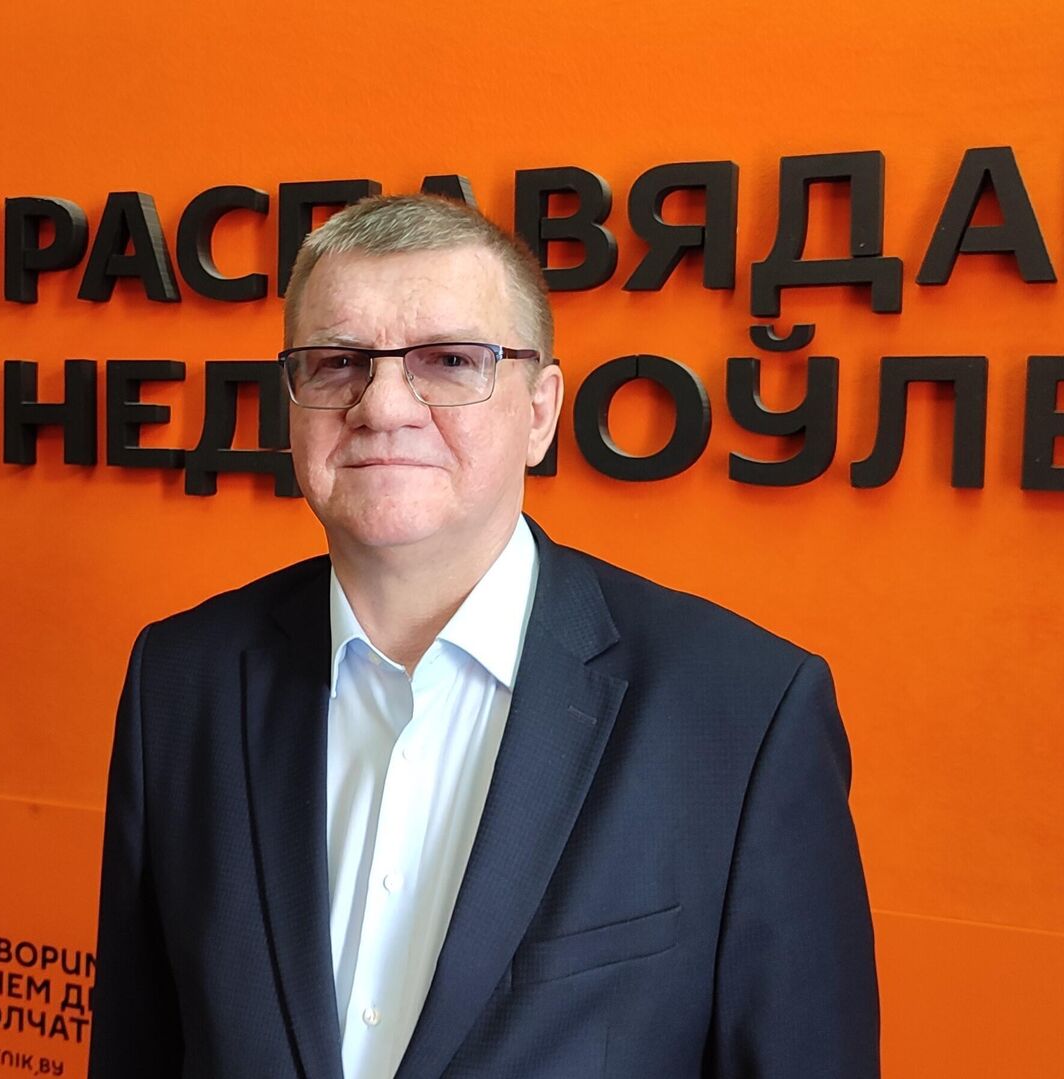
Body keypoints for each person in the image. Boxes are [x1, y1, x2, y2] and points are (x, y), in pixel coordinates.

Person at [88, 194, 877, 1079]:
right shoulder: (180, 680)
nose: (383, 405)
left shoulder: (743, 714)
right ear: (293, 403)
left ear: (540, 412)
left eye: (450, 360)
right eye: (338, 362)